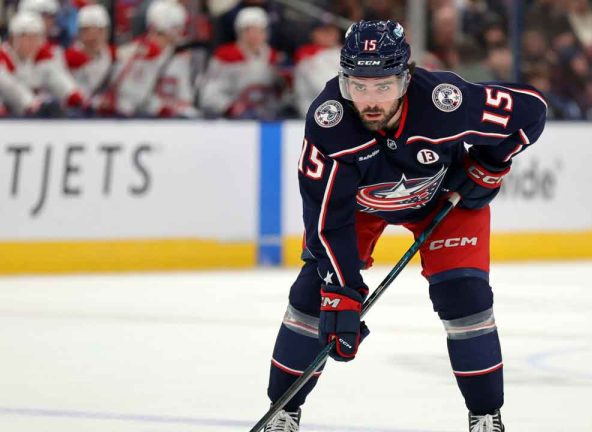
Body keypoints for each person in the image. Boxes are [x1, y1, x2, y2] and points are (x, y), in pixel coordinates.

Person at [263, 20, 547, 432]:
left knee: (466, 299)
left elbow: (531, 111)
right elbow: (326, 220)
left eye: (383, 86)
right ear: (343, 81)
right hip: (360, 209)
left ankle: (486, 416)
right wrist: (341, 290)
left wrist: (490, 163)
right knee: (312, 298)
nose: (371, 100)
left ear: (405, 78)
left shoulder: (444, 102)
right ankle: (283, 411)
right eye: (359, 86)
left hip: (441, 199)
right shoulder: (329, 124)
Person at [198, 7, 281, 118]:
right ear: (240, 32)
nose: (254, 35)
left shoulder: (275, 57)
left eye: (258, 30)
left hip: (268, 117)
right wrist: (229, 106)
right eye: (248, 30)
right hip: (233, 120)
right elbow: (209, 94)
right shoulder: (225, 56)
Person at [65, 4, 116, 99]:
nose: (94, 37)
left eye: (100, 31)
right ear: (80, 33)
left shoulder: (112, 54)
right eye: (87, 31)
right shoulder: (69, 58)